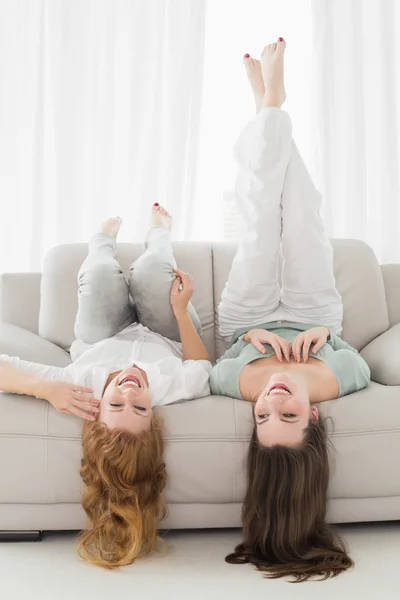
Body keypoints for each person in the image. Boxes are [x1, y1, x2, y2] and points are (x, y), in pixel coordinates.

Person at [211, 39, 371, 581]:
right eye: (290, 415)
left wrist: (252, 337)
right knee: (302, 207)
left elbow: (220, 371)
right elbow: (356, 362)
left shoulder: (251, 387)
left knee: (258, 216)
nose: (275, 401)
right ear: (315, 418)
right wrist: (324, 333)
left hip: (247, 316)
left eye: (263, 418)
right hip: (313, 308)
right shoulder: (334, 382)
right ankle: (269, 110)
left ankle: (270, 107)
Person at [0, 204, 211, 569]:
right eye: (141, 407)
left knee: (98, 273)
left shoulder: (82, 386)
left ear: (97, 411)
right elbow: (200, 365)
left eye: (117, 406)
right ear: (153, 414)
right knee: (151, 269)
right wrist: (180, 309)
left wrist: (45, 388)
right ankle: (159, 230)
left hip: (102, 337)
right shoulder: (171, 388)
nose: (130, 392)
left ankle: (103, 240)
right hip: (167, 334)